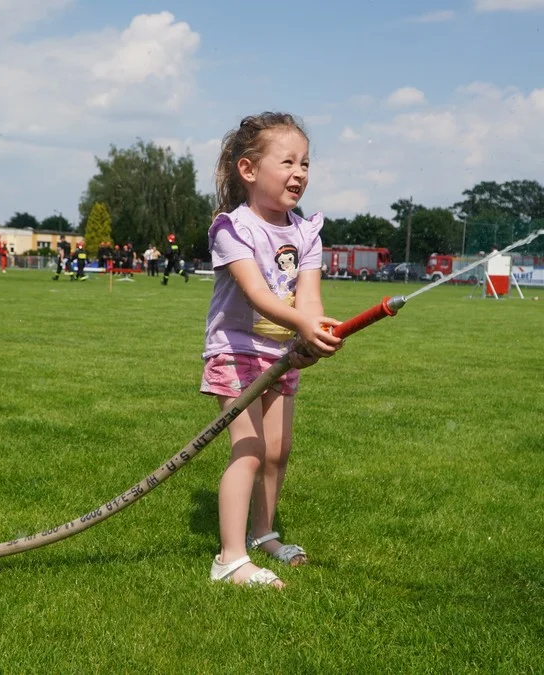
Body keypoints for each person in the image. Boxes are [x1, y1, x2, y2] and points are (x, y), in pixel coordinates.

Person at [202, 112, 342, 589]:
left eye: (305, 163)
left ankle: (263, 535)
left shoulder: (306, 233)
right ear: (248, 170)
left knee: (278, 450)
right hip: (236, 351)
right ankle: (230, 558)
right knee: (249, 450)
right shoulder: (232, 228)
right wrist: (303, 323)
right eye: (287, 162)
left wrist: (315, 331)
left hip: (281, 354)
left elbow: (309, 298)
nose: (300, 172)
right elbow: (258, 294)